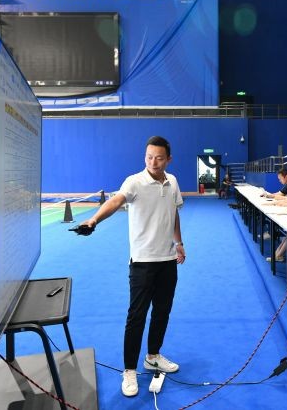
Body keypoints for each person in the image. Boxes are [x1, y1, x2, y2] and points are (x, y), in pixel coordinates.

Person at [79, 136, 185, 398]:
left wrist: (179, 243)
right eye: (149, 157)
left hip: (167, 261)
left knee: (162, 312)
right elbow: (116, 201)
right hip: (142, 263)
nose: (153, 162)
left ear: (168, 159)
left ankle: (153, 356)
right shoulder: (134, 182)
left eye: (159, 158)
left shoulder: (172, 182)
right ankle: (129, 370)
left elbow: (174, 213)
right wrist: (94, 220)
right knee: (136, 317)